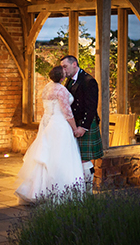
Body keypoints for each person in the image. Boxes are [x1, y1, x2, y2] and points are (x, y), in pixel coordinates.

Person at [14, 65, 85, 204]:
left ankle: (38, 191)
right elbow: (67, 112)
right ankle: (60, 193)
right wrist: (75, 128)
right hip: (59, 125)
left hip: (47, 123)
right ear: (62, 77)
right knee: (60, 158)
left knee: (46, 157)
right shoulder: (61, 90)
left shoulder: (47, 87)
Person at [59, 55, 104, 192]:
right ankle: (79, 190)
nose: (63, 70)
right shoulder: (69, 81)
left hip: (85, 123)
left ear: (74, 64)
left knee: (85, 158)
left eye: (65, 66)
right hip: (74, 123)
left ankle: (88, 192)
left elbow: (91, 107)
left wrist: (83, 127)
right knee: (77, 157)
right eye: (62, 67)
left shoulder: (89, 81)